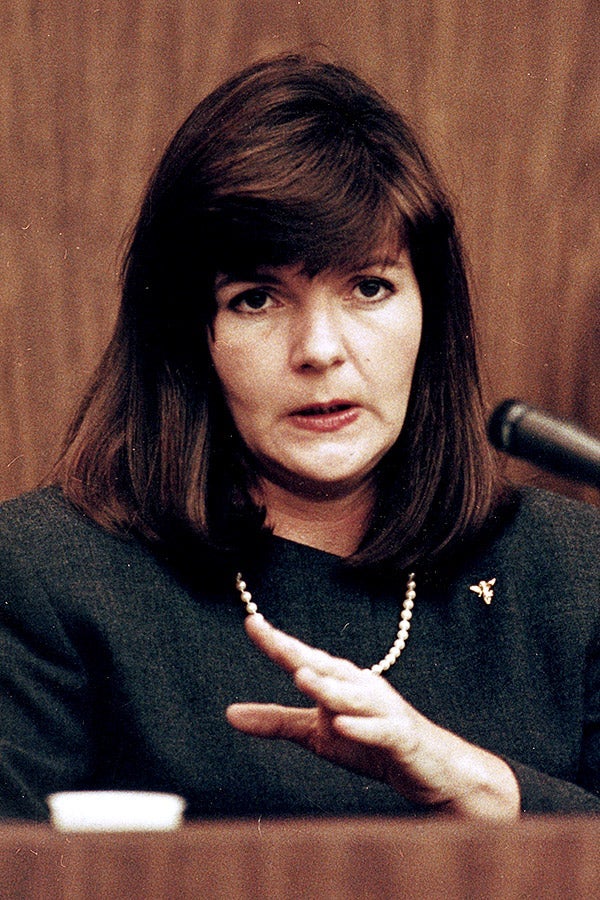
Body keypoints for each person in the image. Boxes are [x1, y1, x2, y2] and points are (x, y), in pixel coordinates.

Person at [0, 54, 598, 823]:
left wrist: (477, 786)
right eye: (256, 299)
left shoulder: (576, 575)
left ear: (430, 317)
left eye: (369, 288)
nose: (319, 348)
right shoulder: (45, 578)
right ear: (192, 337)